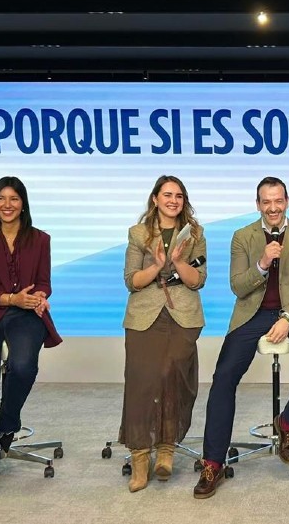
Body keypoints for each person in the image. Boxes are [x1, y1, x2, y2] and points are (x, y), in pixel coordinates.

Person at [193, 176, 289, 499]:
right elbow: (237, 286)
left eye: (278, 201)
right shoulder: (242, 237)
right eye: (266, 202)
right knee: (224, 375)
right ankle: (213, 463)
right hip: (252, 313)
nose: (273, 208)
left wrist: (288, 319)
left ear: (287, 201)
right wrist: (262, 263)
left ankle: (287, 423)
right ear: (258, 204)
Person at [0, 176, 62, 502]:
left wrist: (39, 297)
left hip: (25, 316)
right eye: (1, 198)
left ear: (23, 203)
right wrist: (10, 298)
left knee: (22, 366)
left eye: (14, 198)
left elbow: (43, 282)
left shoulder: (40, 239)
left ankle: (6, 424)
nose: (7, 204)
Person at [119, 175, 207, 493]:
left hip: (183, 313)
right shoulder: (138, 233)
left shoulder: (195, 233)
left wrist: (179, 261)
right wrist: (157, 266)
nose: (173, 200)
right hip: (145, 314)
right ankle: (140, 456)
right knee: (142, 382)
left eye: (179, 195)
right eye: (167, 194)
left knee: (174, 379)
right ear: (155, 198)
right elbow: (132, 280)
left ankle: (166, 450)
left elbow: (198, 280)